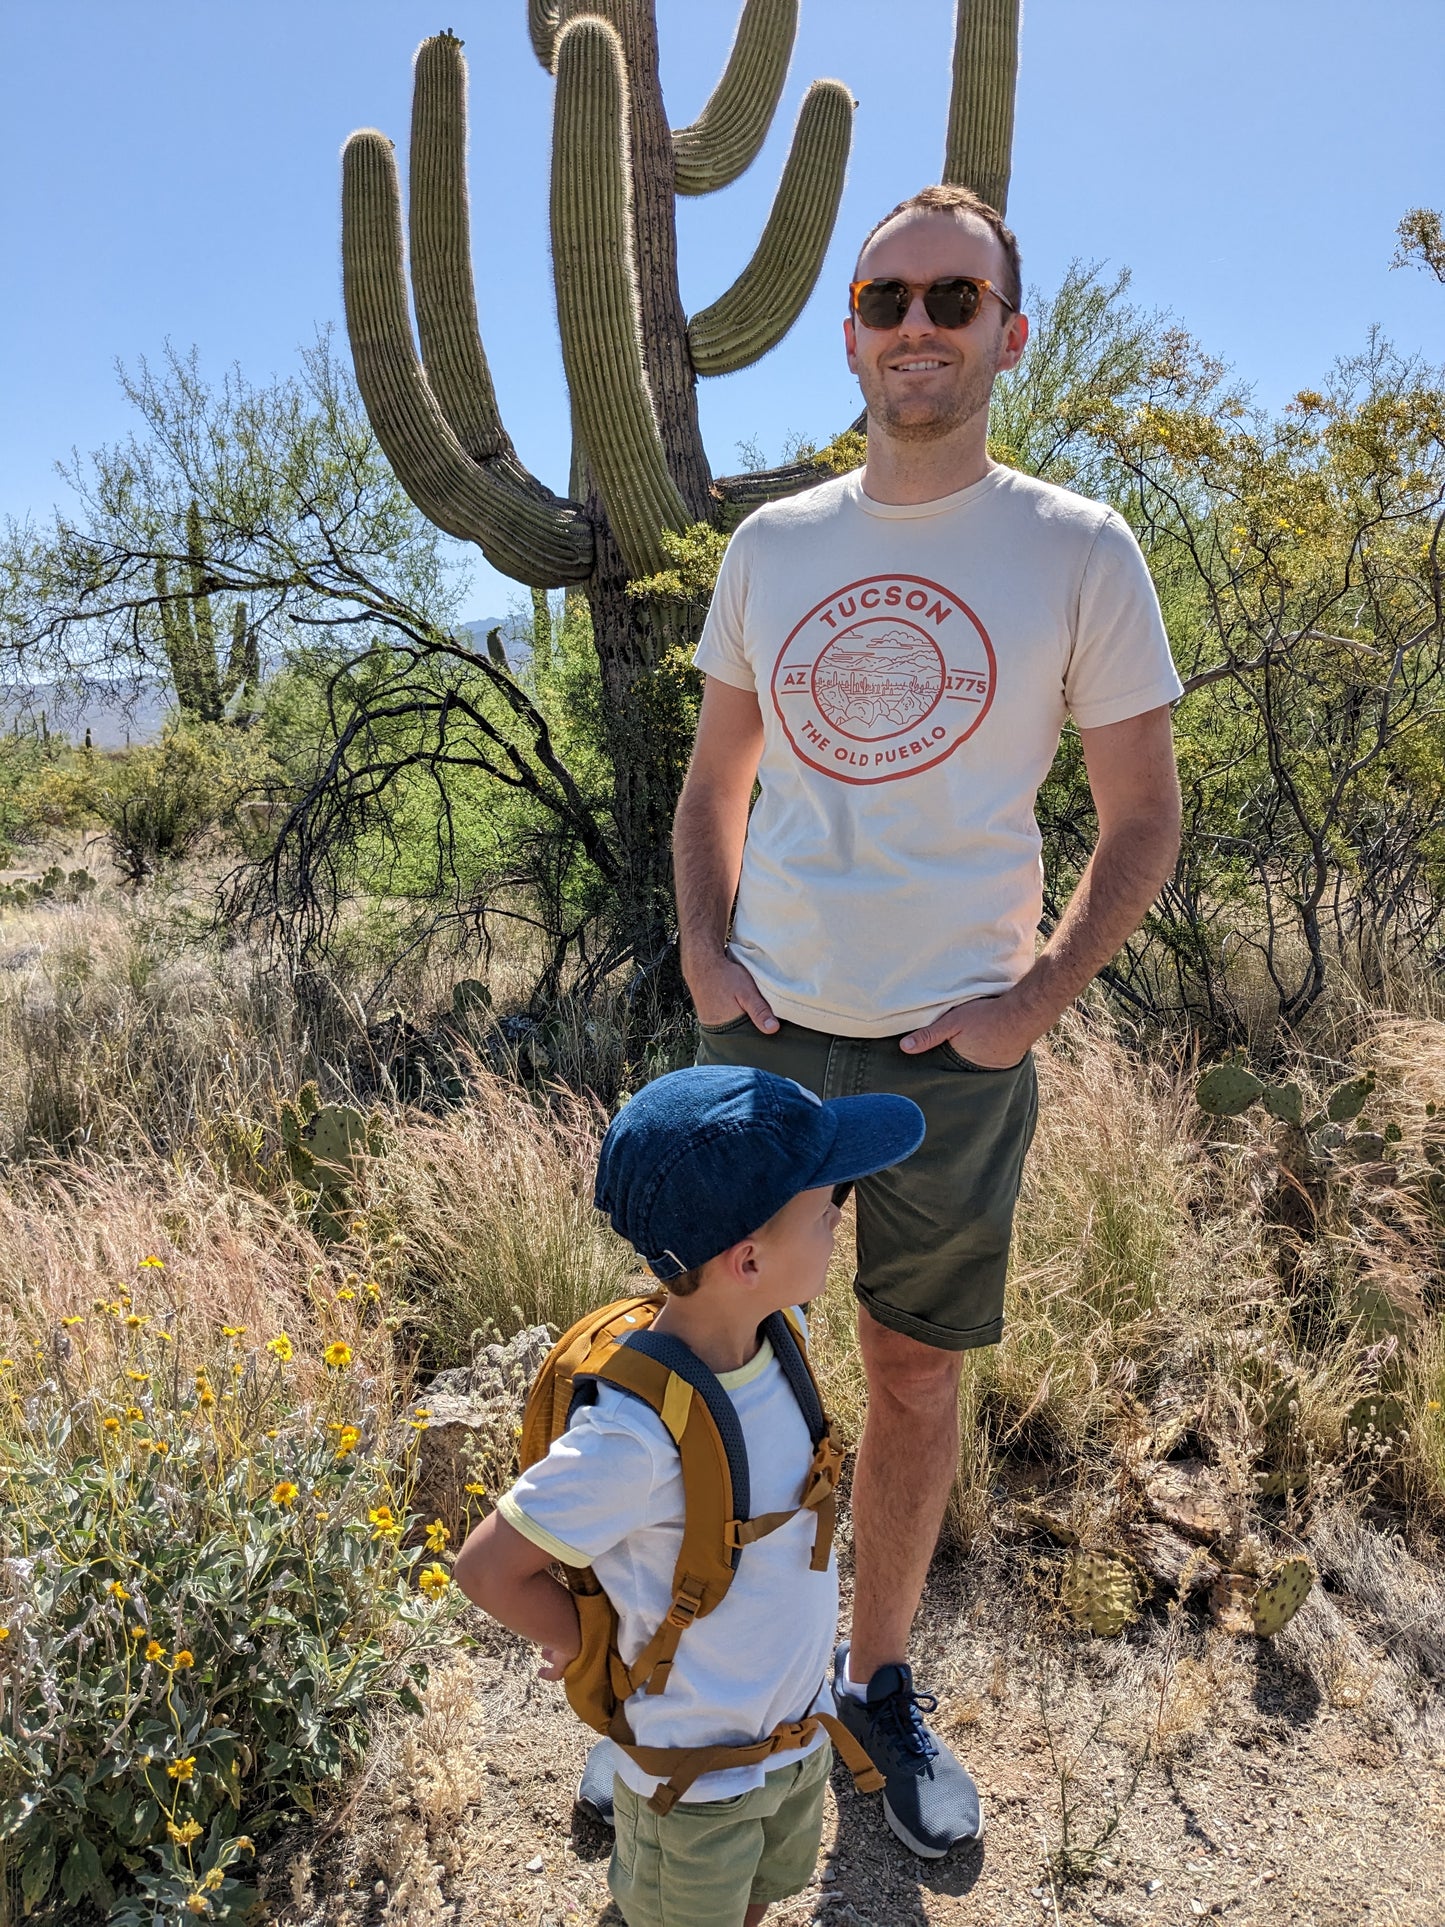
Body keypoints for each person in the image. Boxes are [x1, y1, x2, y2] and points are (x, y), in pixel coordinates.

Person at [668, 183, 1185, 1859]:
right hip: (767, 1032)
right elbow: (712, 785)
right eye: (887, 295)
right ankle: (697, 1680)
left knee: (909, 1367)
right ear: (850, 333)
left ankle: (871, 1679)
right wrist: (704, 951)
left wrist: (1031, 1002)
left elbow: (1144, 817)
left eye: (953, 301)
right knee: (714, 1351)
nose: (915, 325)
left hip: (944, 1055)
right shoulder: (776, 546)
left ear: (1006, 337)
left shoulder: (1077, 549)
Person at [453, 1063, 926, 1927]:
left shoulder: (777, 1334)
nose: (836, 1220)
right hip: (692, 1780)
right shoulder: (630, 1437)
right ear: (747, 1259)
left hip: (792, 1736)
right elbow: (486, 1567)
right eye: (828, 1209)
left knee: (755, 1897)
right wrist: (593, 1644)